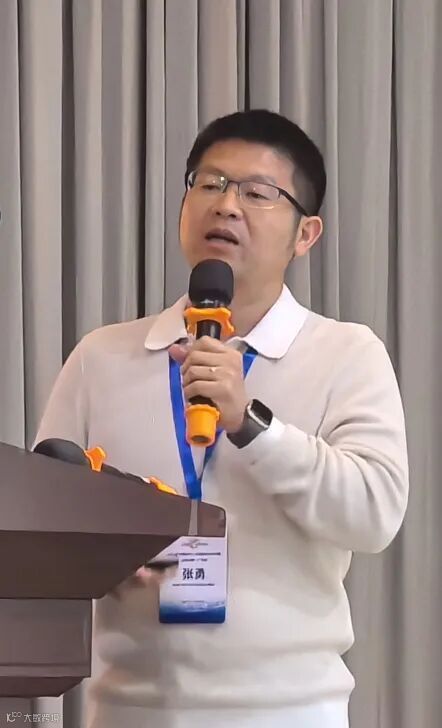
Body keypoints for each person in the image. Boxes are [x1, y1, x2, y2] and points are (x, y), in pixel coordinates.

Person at [35, 109, 409, 728]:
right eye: (209, 184)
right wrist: (108, 556)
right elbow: (44, 528)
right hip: (128, 709)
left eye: (258, 193)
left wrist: (250, 424)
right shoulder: (102, 356)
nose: (227, 205)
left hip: (290, 711)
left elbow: (374, 514)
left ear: (305, 234)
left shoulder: (347, 353)